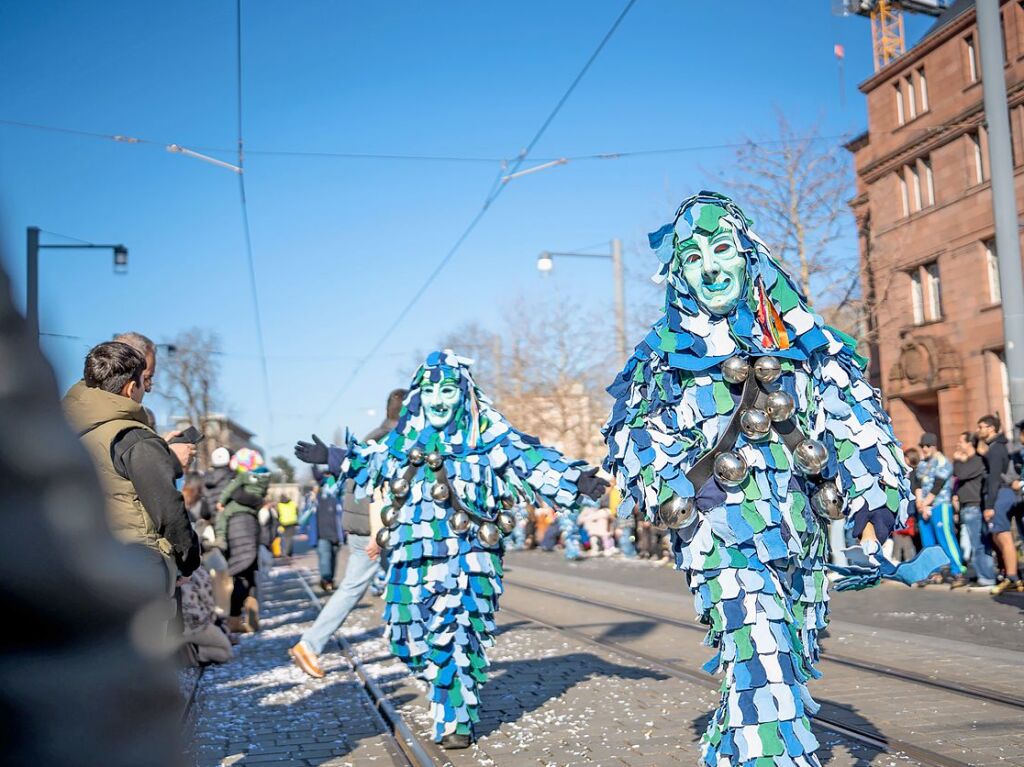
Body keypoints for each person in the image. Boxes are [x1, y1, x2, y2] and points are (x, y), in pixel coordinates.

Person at [603, 193, 942, 767]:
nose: (709, 266)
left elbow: (855, 414)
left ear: (748, 255)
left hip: (800, 531)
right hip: (719, 535)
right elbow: (632, 432)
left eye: (721, 248)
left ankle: (739, 748)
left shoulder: (806, 343)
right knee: (760, 650)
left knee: (788, 651)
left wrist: (878, 494)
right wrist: (665, 480)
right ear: (678, 272)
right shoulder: (660, 360)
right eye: (692, 257)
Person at [295, 353, 607, 749]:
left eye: (447, 391)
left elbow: (528, 459)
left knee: (456, 635)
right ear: (419, 396)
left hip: (469, 553)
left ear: (463, 394)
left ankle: (454, 719)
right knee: (403, 635)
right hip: (410, 555)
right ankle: (447, 687)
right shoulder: (407, 439)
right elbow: (375, 460)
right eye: (430, 392)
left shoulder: (486, 435)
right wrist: (334, 457)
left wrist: (575, 479)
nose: (439, 400)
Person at [62, 342, 201, 643]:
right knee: (143, 661)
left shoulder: (71, 433)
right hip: (141, 563)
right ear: (129, 388)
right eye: (143, 382)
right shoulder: (134, 438)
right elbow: (167, 509)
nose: (145, 391)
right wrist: (189, 559)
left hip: (89, 561)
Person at [289, 389, 407, 676]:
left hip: (364, 525)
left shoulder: (373, 436)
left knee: (404, 582)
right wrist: (378, 533)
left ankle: (409, 641)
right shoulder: (391, 442)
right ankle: (310, 644)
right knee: (356, 586)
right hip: (374, 528)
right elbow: (377, 489)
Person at [214, 448, 271, 632]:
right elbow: (251, 498)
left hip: (231, 528)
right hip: (247, 526)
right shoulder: (255, 479)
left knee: (239, 574)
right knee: (247, 574)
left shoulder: (227, 480)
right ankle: (245, 613)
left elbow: (230, 496)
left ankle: (234, 619)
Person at [978, 414, 1023, 594]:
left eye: (981, 427)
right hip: (1004, 493)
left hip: (1001, 495)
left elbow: (995, 478)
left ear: (991, 428)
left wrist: (989, 505)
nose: (978, 430)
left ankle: (1012, 577)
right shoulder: (997, 446)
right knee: (999, 536)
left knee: (1003, 536)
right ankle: (1013, 575)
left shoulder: (996, 448)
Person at [915, 432, 965, 586]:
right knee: (928, 541)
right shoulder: (922, 464)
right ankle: (933, 573)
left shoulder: (943, 462)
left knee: (946, 538)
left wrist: (924, 503)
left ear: (934, 446)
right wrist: (919, 503)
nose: (924, 448)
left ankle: (958, 572)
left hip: (940, 505)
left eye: (927, 446)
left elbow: (938, 486)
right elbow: (917, 484)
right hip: (924, 507)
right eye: (922, 446)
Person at [953, 432, 995, 587]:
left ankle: (987, 577)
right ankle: (981, 575)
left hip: (974, 506)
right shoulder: (968, 461)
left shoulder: (977, 460)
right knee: (974, 544)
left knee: (979, 544)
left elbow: (960, 473)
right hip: (966, 507)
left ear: (970, 443)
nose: (958, 445)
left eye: (961, 442)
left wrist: (957, 460)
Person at [180, 566, 233, 665]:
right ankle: (195, 652)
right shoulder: (198, 572)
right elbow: (208, 604)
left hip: (170, 627)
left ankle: (188, 648)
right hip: (195, 625)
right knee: (226, 652)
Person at [277, 494, 299, 558]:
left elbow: (278, 515)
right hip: (292, 522)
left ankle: (285, 552)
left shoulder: (279, 505)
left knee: (284, 539)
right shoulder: (292, 503)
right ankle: (289, 552)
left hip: (283, 523)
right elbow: (297, 511)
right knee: (290, 539)